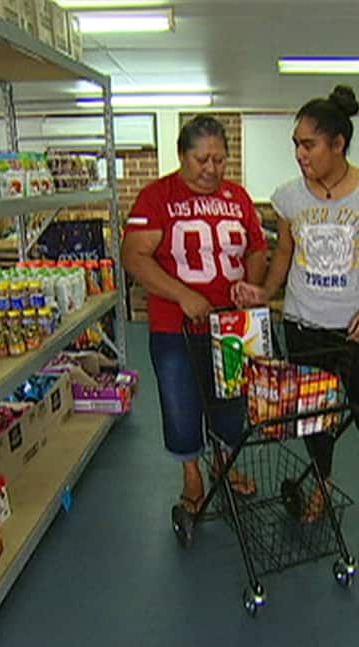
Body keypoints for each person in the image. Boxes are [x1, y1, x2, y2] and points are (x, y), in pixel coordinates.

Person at [232, 85, 359, 535]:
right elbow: (284, 254)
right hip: (304, 326)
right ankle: (321, 482)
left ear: (338, 144)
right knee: (313, 416)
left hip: (358, 329)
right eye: (296, 144)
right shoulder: (289, 197)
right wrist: (265, 293)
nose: (300, 154)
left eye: (308, 144)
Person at [122, 115, 269, 516]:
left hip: (233, 326)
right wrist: (182, 295)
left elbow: (257, 248)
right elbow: (133, 256)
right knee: (181, 402)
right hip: (176, 327)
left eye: (219, 159)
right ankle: (191, 475)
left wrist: (251, 286)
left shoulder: (238, 196)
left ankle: (224, 464)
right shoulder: (156, 197)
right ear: (181, 156)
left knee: (232, 402)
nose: (211, 169)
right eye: (201, 159)